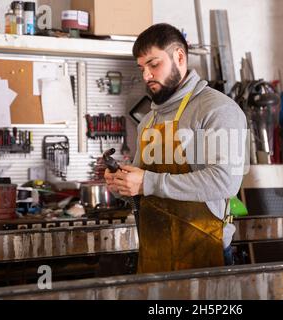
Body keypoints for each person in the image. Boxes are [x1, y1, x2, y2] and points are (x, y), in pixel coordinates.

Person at [105, 23, 247, 274]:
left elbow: (225, 182)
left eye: (153, 64)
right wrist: (122, 185)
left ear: (179, 57)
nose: (146, 75)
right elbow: (143, 188)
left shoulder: (217, 110)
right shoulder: (149, 120)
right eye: (142, 68)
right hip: (154, 257)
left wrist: (147, 182)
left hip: (204, 258)